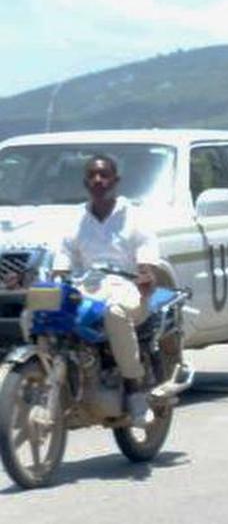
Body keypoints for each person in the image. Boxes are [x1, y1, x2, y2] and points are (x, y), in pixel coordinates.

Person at [55, 155, 161, 427]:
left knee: (115, 313)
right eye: (92, 175)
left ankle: (135, 389)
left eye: (104, 175)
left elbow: (147, 255)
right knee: (43, 311)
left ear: (116, 181)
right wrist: (57, 277)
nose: (97, 180)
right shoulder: (75, 219)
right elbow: (63, 257)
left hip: (127, 289)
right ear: (85, 182)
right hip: (88, 289)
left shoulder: (134, 217)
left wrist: (146, 274)